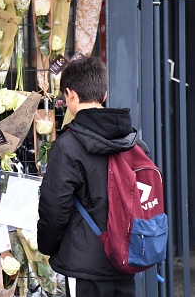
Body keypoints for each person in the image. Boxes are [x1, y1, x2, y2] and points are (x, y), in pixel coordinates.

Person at [37, 57, 148, 297]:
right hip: (127, 257)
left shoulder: (67, 146)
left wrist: (46, 246)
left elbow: (54, 208)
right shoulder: (134, 143)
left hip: (84, 264)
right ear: (104, 94)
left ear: (70, 94)